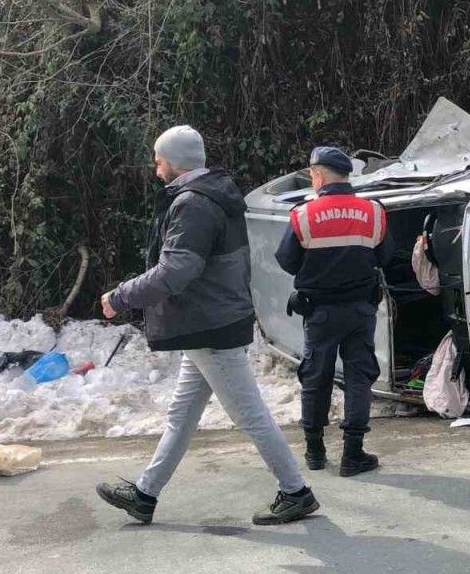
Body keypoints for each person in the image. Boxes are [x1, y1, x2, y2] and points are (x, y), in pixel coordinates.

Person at [95, 125, 316, 526]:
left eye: (158, 160)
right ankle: (145, 494)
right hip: (208, 321)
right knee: (181, 415)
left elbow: (176, 270)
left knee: (249, 414)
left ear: (174, 162)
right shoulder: (212, 193)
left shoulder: (193, 204)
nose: (156, 168)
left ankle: (296, 491)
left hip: (210, 324)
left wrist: (121, 296)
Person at [277, 146, 394, 477]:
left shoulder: (303, 214)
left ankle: (315, 452)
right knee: (359, 377)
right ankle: (353, 455)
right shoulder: (373, 211)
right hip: (361, 310)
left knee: (316, 376)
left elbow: (287, 260)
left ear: (318, 175)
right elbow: (385, 256)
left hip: (320, 312)